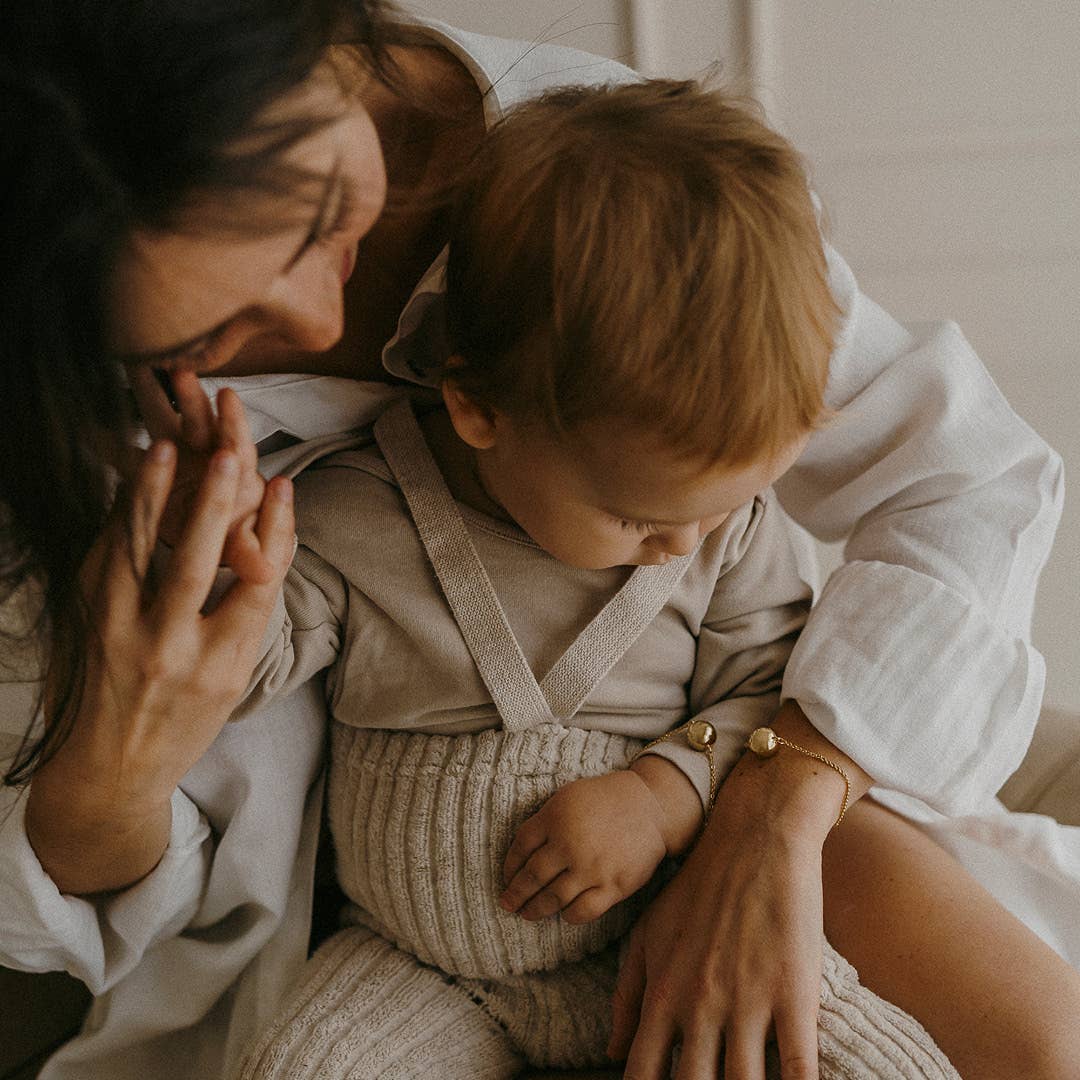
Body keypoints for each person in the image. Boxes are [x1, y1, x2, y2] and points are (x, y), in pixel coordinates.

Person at [0, 3, 1077, 1079]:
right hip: (380, 953)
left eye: (318, 211)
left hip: (719, 805)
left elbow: (967, 481)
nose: (321, 329)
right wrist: (113, 757)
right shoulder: (109, 454)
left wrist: (763, 811)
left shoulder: (640, 205)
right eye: (204, 339)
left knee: (1034, 1045)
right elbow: (92, 893)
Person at [142, 80, 952, 1078]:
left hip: (663, 935)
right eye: (641, 516)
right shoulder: (356, 511)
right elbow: (243, 666)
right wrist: (219, 566)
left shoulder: (725, 535)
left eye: (718, 508)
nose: (680, 543)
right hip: (420, 969)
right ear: (479, 411)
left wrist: (663, 796)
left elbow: (772, 700)